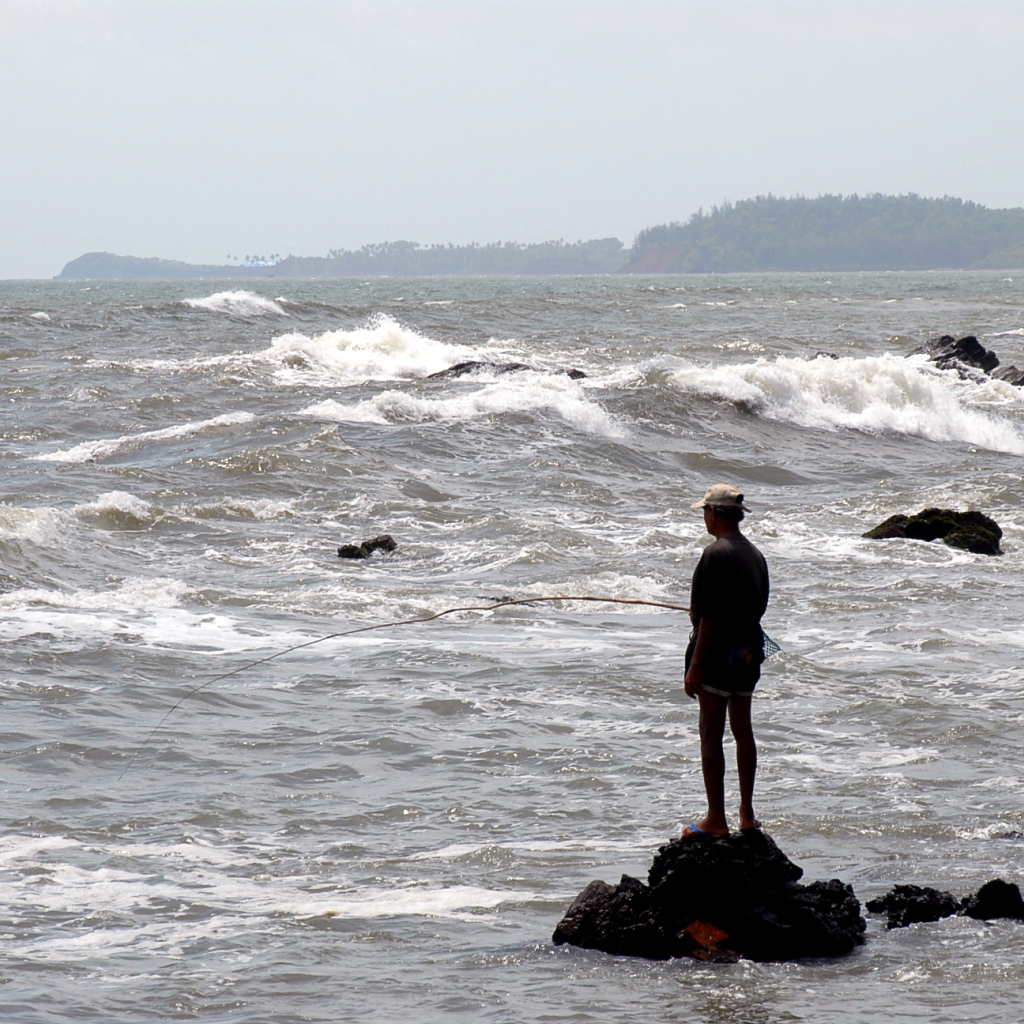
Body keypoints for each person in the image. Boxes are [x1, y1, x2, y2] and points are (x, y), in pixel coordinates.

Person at [683, 483, 770, 837]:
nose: (704, 517)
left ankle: (716, 819)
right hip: (749, 653)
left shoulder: (715, 553)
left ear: (715, 513)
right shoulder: (756, 556)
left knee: (710, 733)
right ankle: (747, 816)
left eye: (705, 511)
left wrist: (696, 666)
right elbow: (757, 607)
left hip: (718, 654)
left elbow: (709, 617)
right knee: (743, 731)